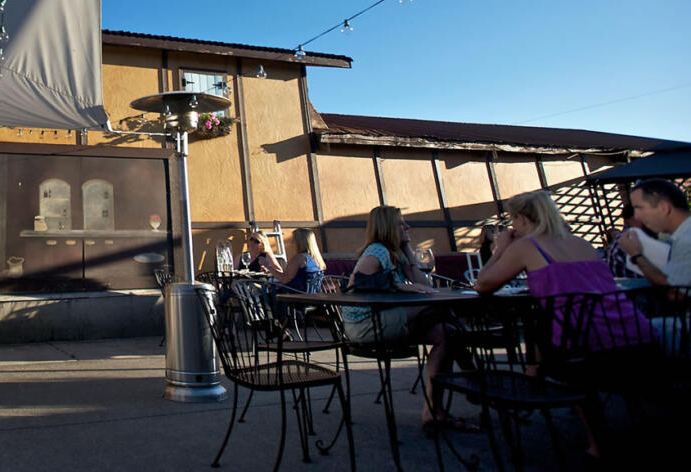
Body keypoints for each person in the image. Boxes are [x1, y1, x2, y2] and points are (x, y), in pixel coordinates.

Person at [475, 189, 650, 459]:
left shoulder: (527, 246)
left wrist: (499, 250)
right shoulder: (581, 243)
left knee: (558, 344)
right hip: (634, 333)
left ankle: (594, 440)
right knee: (553, 333)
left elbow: (482, 284)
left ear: (522, 219)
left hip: (586, 347)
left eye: (513, 219)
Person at [343, 205, 467, 433]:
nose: (407, 226)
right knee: (438, 309)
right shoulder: (377, 251)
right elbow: (356, 286)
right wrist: (394, 285)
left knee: (446, 332)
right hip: (365, 324)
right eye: (401, 224)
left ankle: (434, 412)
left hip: (387, 319)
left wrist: (408, 249)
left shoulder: (395, 253)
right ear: (388, 227)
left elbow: (426, 284)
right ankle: (472, 376)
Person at [617, 178, 691, 287]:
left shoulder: (686, 242)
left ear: (663, 208)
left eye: (640, 208)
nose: (637, 216)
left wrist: (636, 255)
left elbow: (676, 293)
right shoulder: (682, 236)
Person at [276, 227, 326, 292]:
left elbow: (284, 279)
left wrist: (268, 267)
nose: (291, 243)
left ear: (299, 242)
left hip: (296, 296)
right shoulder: (317, 259)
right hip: (314, 295)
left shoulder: (298, 258)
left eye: (293, 239)